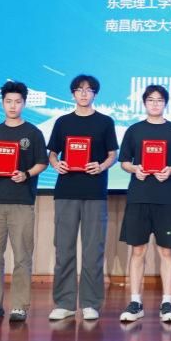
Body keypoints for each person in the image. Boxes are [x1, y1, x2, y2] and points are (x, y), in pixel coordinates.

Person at [0, 80, 49, 323]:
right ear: (2, 103)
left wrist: (26, 174)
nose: (13, 106)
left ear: (24, 103)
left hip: (22, 202)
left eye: (17, 101)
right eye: (8, 101)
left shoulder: (33, 133)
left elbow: (42, 163)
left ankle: (19, 306)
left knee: (22, 256)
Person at [47, 74, 118, 321]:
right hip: (66, 192)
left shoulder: (105, 122)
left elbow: (113, 154)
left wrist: (102, 166)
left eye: (89, 90)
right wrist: (56, 164)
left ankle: (90, 303)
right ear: (73, 94)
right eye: (79, 89)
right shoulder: (63, 122)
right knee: (63, 249)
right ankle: (64, 303)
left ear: (95, 94)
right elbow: (52, 153)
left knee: (92, 251)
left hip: (95, 192)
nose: (84, 93)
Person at [118, 84, 171, 323]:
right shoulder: (134, 130)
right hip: (139, 196)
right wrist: (135, 169)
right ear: (144, 103)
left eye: (159, 100)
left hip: (165, 198)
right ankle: (135, 302)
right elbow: (124, 161)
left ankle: (167, 302)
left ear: (165, 103)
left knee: (166, 251)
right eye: (151, 99)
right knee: (137, 251)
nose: (155, 103)